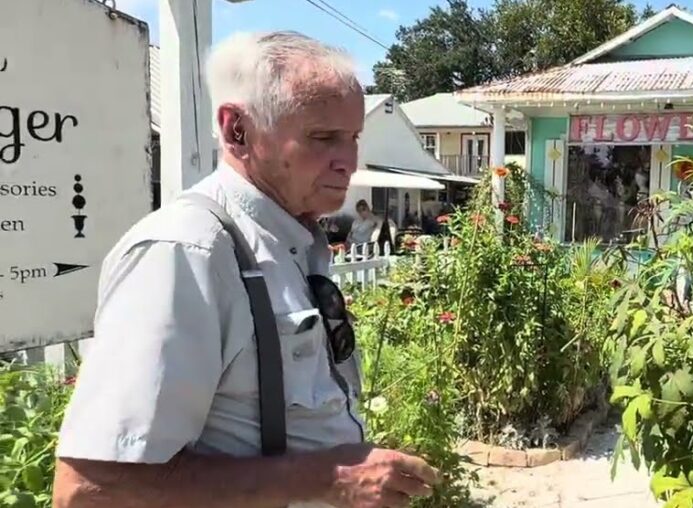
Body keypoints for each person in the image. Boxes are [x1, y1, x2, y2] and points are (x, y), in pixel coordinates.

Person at [52, 31, 440, 508]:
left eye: (354, 137)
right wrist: (326, 479)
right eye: (323, 138)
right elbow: (91, 490)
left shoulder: (293, 241)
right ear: (238, 130)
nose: (349, 162)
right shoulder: (187, 251)